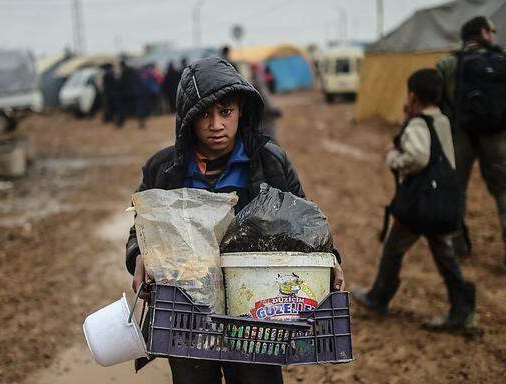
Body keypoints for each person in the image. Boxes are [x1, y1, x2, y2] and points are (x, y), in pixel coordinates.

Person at [125, 57, 345, 384]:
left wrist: (332, 261)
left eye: (225, 112)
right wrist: (138, 256)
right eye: (204, 114)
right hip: (189, 318)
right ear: (187, 118)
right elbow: (139, 231)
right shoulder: (164, 170)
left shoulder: (269, 161)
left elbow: (308, 224)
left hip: (256, 312)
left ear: (241, 110)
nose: (216, 125)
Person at [353, 69, 476, 332]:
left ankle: (378, 297)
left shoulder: (418, 124)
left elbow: (418, 157)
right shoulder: (442, 119)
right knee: (444, 253)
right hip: (442, 201)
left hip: (420, 205)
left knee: (394, 248)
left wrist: (394, 158)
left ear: (412, 95)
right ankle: (462, 308)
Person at [436, 16, 506, 270]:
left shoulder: (448, 62)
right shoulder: (505, 56)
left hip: (461, 136)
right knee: (505, 188)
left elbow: (436, 100)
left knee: (456, 190)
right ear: (482, 32)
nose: (494, 34)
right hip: (495, 134)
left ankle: (459, 245)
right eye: (492, 30)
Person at [250, 63, 282, 140]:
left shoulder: (252, 81)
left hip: (261, 112)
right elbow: (265, 97)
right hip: (265, 111)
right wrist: (272, 109)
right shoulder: (258, 83)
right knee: (269, 133)